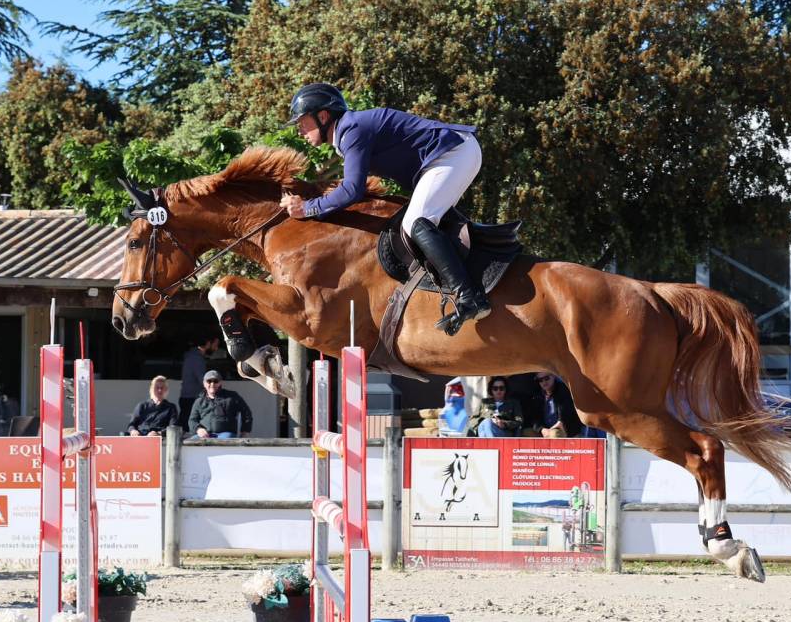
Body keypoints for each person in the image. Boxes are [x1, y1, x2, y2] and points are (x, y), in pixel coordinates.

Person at [278, 83, 490, 335]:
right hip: (451, 155)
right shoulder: (348, 132)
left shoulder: (350, 130)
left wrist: (307, 208)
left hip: (454, 153)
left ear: (323, 116)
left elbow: (352, 190)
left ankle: (470, 297)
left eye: (302, 121)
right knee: (421, 222)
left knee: (416, 222)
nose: (300, 130)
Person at [189, 370, 253, 439]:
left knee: (225, 440)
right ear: (204, 383)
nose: (212, 384)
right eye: (209, 381)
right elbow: (192, 420)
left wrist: (245, 431)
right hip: (205, 435)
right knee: (191, 442)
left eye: (215, 381)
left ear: (220, 383)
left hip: (225, 434)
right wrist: (198, 429)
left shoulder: (231, 397)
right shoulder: (199, 401)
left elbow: (246, 413)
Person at [180, 334, 220, 428]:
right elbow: (203, 381)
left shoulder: (192, 356)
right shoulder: (197, 358)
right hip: (192, 399)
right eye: (215, 344)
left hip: (188, 397)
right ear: (208, 343)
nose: (216, 348)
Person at [528, 372, 584, 438]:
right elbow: (534, 418)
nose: (544, 382)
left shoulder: (563, 390)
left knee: (554, 434)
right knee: (526, 432)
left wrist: (560, 422)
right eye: (540, 380)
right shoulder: (537, 396)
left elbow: (567, 412)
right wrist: (542, 429)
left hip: (562, 428)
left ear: (553, 376)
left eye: (546, 378)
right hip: (546, 429)